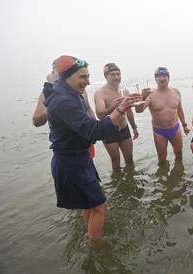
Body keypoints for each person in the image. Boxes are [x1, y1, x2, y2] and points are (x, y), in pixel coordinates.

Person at [45, 55, 142, 241]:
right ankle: (97, 248)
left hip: (79, 159)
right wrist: (119, 110)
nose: (88, 81)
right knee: (99, 205)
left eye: (88, 76)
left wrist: (120, 109)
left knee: (90, 205)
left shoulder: (71, 95)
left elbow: (89, 123)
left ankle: (91, 234)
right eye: (83, 77)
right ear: (66, 76)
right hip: (71, 162)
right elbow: (94, 131)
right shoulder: (62, 102)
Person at [32, 60, 96, 158]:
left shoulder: (80, 89)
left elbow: (88, 109)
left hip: (85, 140)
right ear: (53, 73)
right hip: (67, 148)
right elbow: (36, 121)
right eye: (57, 72)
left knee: (89, 166)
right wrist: (54, 103)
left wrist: (94, 129)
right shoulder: (47, 94)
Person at [135, 67, 190, 165]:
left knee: (179, 154)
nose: (162, 78)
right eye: (159, 76)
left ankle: (178, 174)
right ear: (155, 79)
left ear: (168, 77)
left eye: (164, 76)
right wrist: (142, 97)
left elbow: (180, 109)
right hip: (159, 132)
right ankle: (163, 178)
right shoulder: (150, 94)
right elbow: (139, 110)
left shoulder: (176, 92)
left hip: (175, 128)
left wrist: (184, 125)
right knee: (162, 159)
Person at [94, 63, 139, 172]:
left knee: (129, 160)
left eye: (118, 74)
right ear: (106, 76)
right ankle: (118, 186)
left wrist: (134, 127)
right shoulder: (100, 93)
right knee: (115, 161)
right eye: (113, 74)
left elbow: (129, 112)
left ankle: (131, 182)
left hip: (124, 129)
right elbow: (100, 115)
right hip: (109, 131)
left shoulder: (124, 92)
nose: (116, 77)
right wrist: (113, 106)